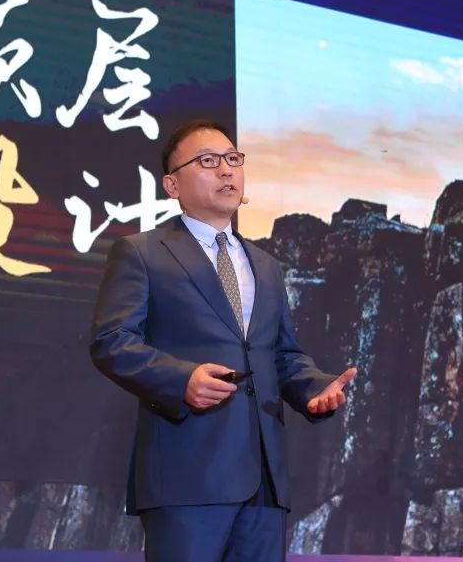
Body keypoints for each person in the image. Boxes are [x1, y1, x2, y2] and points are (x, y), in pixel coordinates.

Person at [91, 119, 357, 562]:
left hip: (264, 479)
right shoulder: (142, 252)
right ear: (172, 185)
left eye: (233, 159)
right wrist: (181, 380)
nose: (226, 170)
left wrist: (314, 388)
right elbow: (111, 340)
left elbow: (280, 354)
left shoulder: (266, 265)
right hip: (187, 474)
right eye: (208, 161)